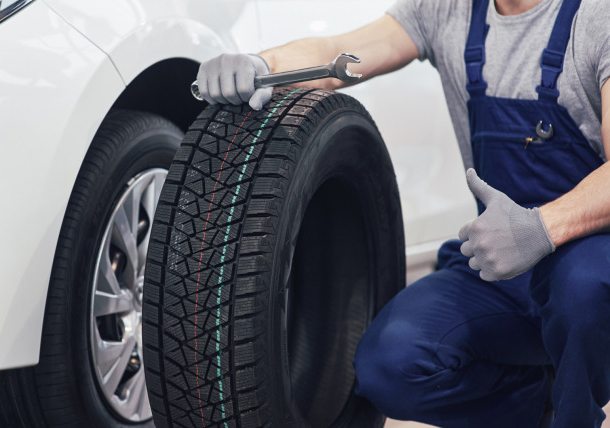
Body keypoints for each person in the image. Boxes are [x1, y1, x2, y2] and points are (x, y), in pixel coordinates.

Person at [194, 0, 610, 427]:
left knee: (582, 289)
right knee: (390, 366)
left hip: (589, 260)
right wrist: (263, 65)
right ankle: (541, 400)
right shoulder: (449, 11)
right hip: (499, 265)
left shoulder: (597, 17)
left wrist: (539, 228)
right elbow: (342, 51)